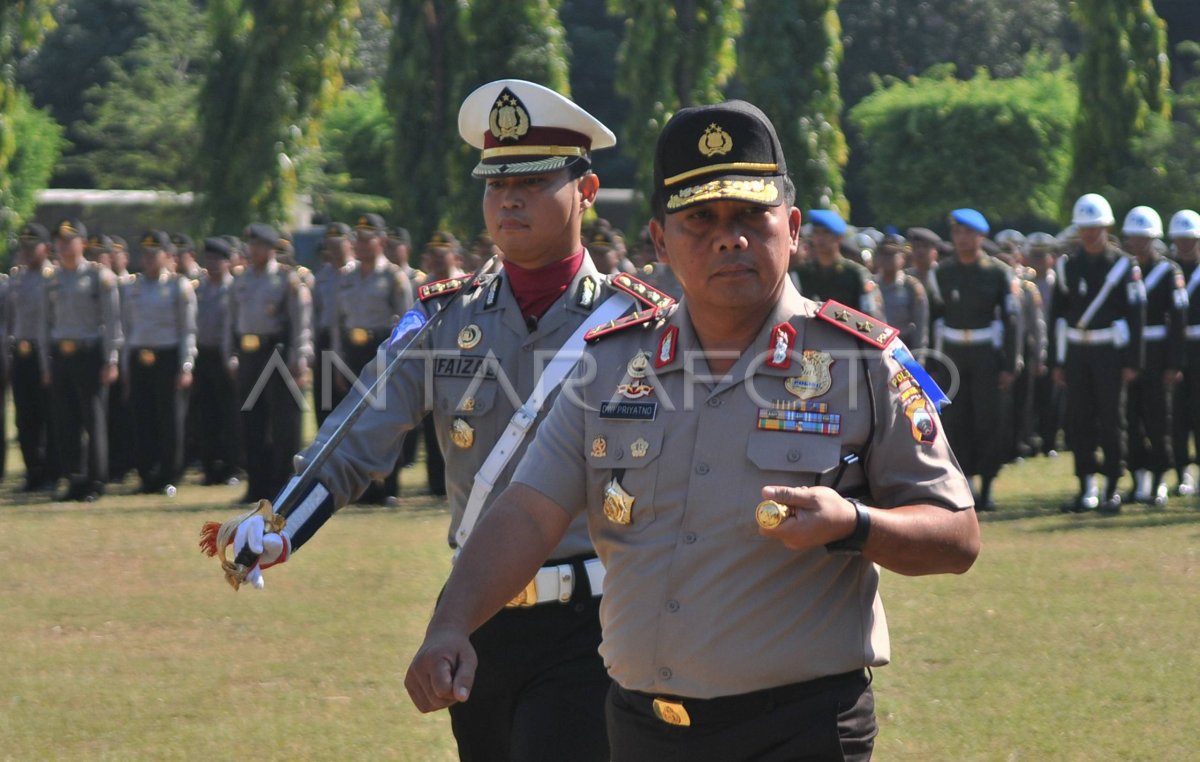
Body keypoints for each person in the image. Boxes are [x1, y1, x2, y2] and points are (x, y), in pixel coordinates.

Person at [404, 99, 979, 761]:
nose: (727, 238)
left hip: (801, 730)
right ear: (659, 241)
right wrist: (452, 623)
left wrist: (853, 523)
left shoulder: (862, 361)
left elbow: (957, 534)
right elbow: (529, 513)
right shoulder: (610, 364)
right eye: (700, 219)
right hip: (643, 732)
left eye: (748, 217)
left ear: (791, 227)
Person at [220, 79, 673, 761]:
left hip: (598, 622)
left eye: (534, 179)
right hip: (475, 618)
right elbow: (355, 435)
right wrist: (281, 525)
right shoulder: (442, 318)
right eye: (496, 184)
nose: (509, 198)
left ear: (586, 190)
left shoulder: (638, 322)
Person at [1049, 193, 1146, 513]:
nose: (1089, 233)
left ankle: (1112, 486)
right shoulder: (1068, 265)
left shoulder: (1122, 265)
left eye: (1095, 227)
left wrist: (1133, 361)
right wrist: (1058, 361)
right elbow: (1058, 316)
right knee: (1079, 419)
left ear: (1107, 227)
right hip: (1077, 351)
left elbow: (1137, 315)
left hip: (1110, 352)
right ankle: (1086, 485)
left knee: (1111, 419)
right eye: (1084, 228)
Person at [930, 209, 1020, 510]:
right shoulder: (942, 272)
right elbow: (934, 319)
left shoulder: (997, 272)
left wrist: (1009, 363)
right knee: (956, 420)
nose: (961, 238)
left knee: (988, 419)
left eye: (967, 232)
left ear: (981, 236)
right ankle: (964, 483)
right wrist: (933, 363)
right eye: (956, 232)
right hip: (953, 354)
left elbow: (1011, 319)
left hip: (985, 354)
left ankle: (988, 485)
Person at [330, 213, 412, 504]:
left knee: (385, 419)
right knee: (354, 421)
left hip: (382, 349)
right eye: (358, 239)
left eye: (367, 239)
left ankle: (388, 487)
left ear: (381, 241)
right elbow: (338, 323)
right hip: (352, 350)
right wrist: (338, 359)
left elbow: (407, 323)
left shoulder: (393, 276)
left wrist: (399, 360)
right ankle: (361, 488)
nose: (361, 245)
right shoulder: (346, 277)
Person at [40, 218, 123, 501]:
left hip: (89, 354)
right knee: (65, 420)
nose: (63, 246)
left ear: (83, 243)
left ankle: (96, 481)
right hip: (61, 355)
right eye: (59, 241)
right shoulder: (52, 279)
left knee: (93, 418)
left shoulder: (99, 277)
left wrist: (111, 359)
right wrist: (46, 363)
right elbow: (45, 324)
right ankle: (74, 477)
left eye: (69, 240)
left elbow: (112, 323)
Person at [229, 222, 312, 503]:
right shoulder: (241, 279)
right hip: (249, 354)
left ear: (269, 248)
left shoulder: (287, 279)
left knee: (283, 424)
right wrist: (232, 354)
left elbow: (300, 322)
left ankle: (282, 486)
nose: (252, 250)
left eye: (258, 245)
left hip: (276, 354)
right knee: (251, 421)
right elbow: (233, 321)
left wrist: (299, 357)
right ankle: (256, 485)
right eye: (250, 245)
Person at [121, 231, 197, 494]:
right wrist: (125, 366)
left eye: (155, 254)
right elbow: (127, 329)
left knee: (169, 419)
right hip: (139, 356)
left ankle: (168, 475)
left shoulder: (179, 286)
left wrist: (186, 364)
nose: (149, 259)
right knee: (142, 417)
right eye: (145, 254)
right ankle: (146, 473)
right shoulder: (132, 287)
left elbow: (188, 330)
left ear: (168, 256)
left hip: (168, 356)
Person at [1121, 207, 1185, 507]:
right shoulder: (1122, 270)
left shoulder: (1169, 271)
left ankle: (1159, 480)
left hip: (1158, 352)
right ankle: (1138, 479)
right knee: (1130, 419)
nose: (1138, 243)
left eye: (1144, 238)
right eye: (1133, 237)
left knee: (1158, 420)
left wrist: (1174, 363)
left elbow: (1177, 321)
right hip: (1128, 354)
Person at [10, 223, 58, 491]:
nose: (27, 252)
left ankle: (52, 471)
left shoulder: (54, 277)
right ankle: (33, 472)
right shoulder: (17, 278)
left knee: (49, 414)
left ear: (46, 248)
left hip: (47, 353)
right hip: (22, 351)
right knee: (24, 416)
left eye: (33, 247)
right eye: (24, 247)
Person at [192, 237, 243, 485]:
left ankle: (232, 466)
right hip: (203, 354)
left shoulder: (235, 289)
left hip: (226, 357)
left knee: (230, 414)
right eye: (209, 259)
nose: (212, 264)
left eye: (217, 259)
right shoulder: (198, 289)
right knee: (206, 413)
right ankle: (210, 466)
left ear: (228, 262)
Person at [794, 208, 884, 319]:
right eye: (816, 232)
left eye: (826, 233)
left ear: (839, 237)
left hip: (846, 334)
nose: (820, 238)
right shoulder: (802, 273)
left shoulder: (856, 274)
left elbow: (870, 314)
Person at [312, 221, 357, 428]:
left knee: (352, 398)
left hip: (352, 341)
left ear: (350, 243)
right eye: (330, 244)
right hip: (326, 340)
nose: (334, 249)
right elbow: (315, 313)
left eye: (338, 243)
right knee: (325, 400)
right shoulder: (321, 277)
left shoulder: (358, 273)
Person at [1169, 209, 1200, 495]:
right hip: (1176, 348)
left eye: (1189, 239)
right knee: (1177, 415)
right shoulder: (1168, 271)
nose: (1185, 244)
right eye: (1180, 239)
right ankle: (1182, 472)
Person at [1026, 232, 1064, 456]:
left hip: (1054, 342)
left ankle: (1050, 440)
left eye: (1043, 255)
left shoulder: (1058, 282)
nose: (1039, 260)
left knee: (1053, 395)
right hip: (1030, 344)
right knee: (1030, 396)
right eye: (1035, 255)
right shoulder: (1023, 283)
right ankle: (1030, 439)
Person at [873, 233, 929, 353]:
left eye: (892, 254)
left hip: (901, 349)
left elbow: (920, 327)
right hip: (873, 347)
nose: (887, 259)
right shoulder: (870, 285)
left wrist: (919, 359)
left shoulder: (912, 286)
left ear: (902, 258)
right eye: (883, 254)